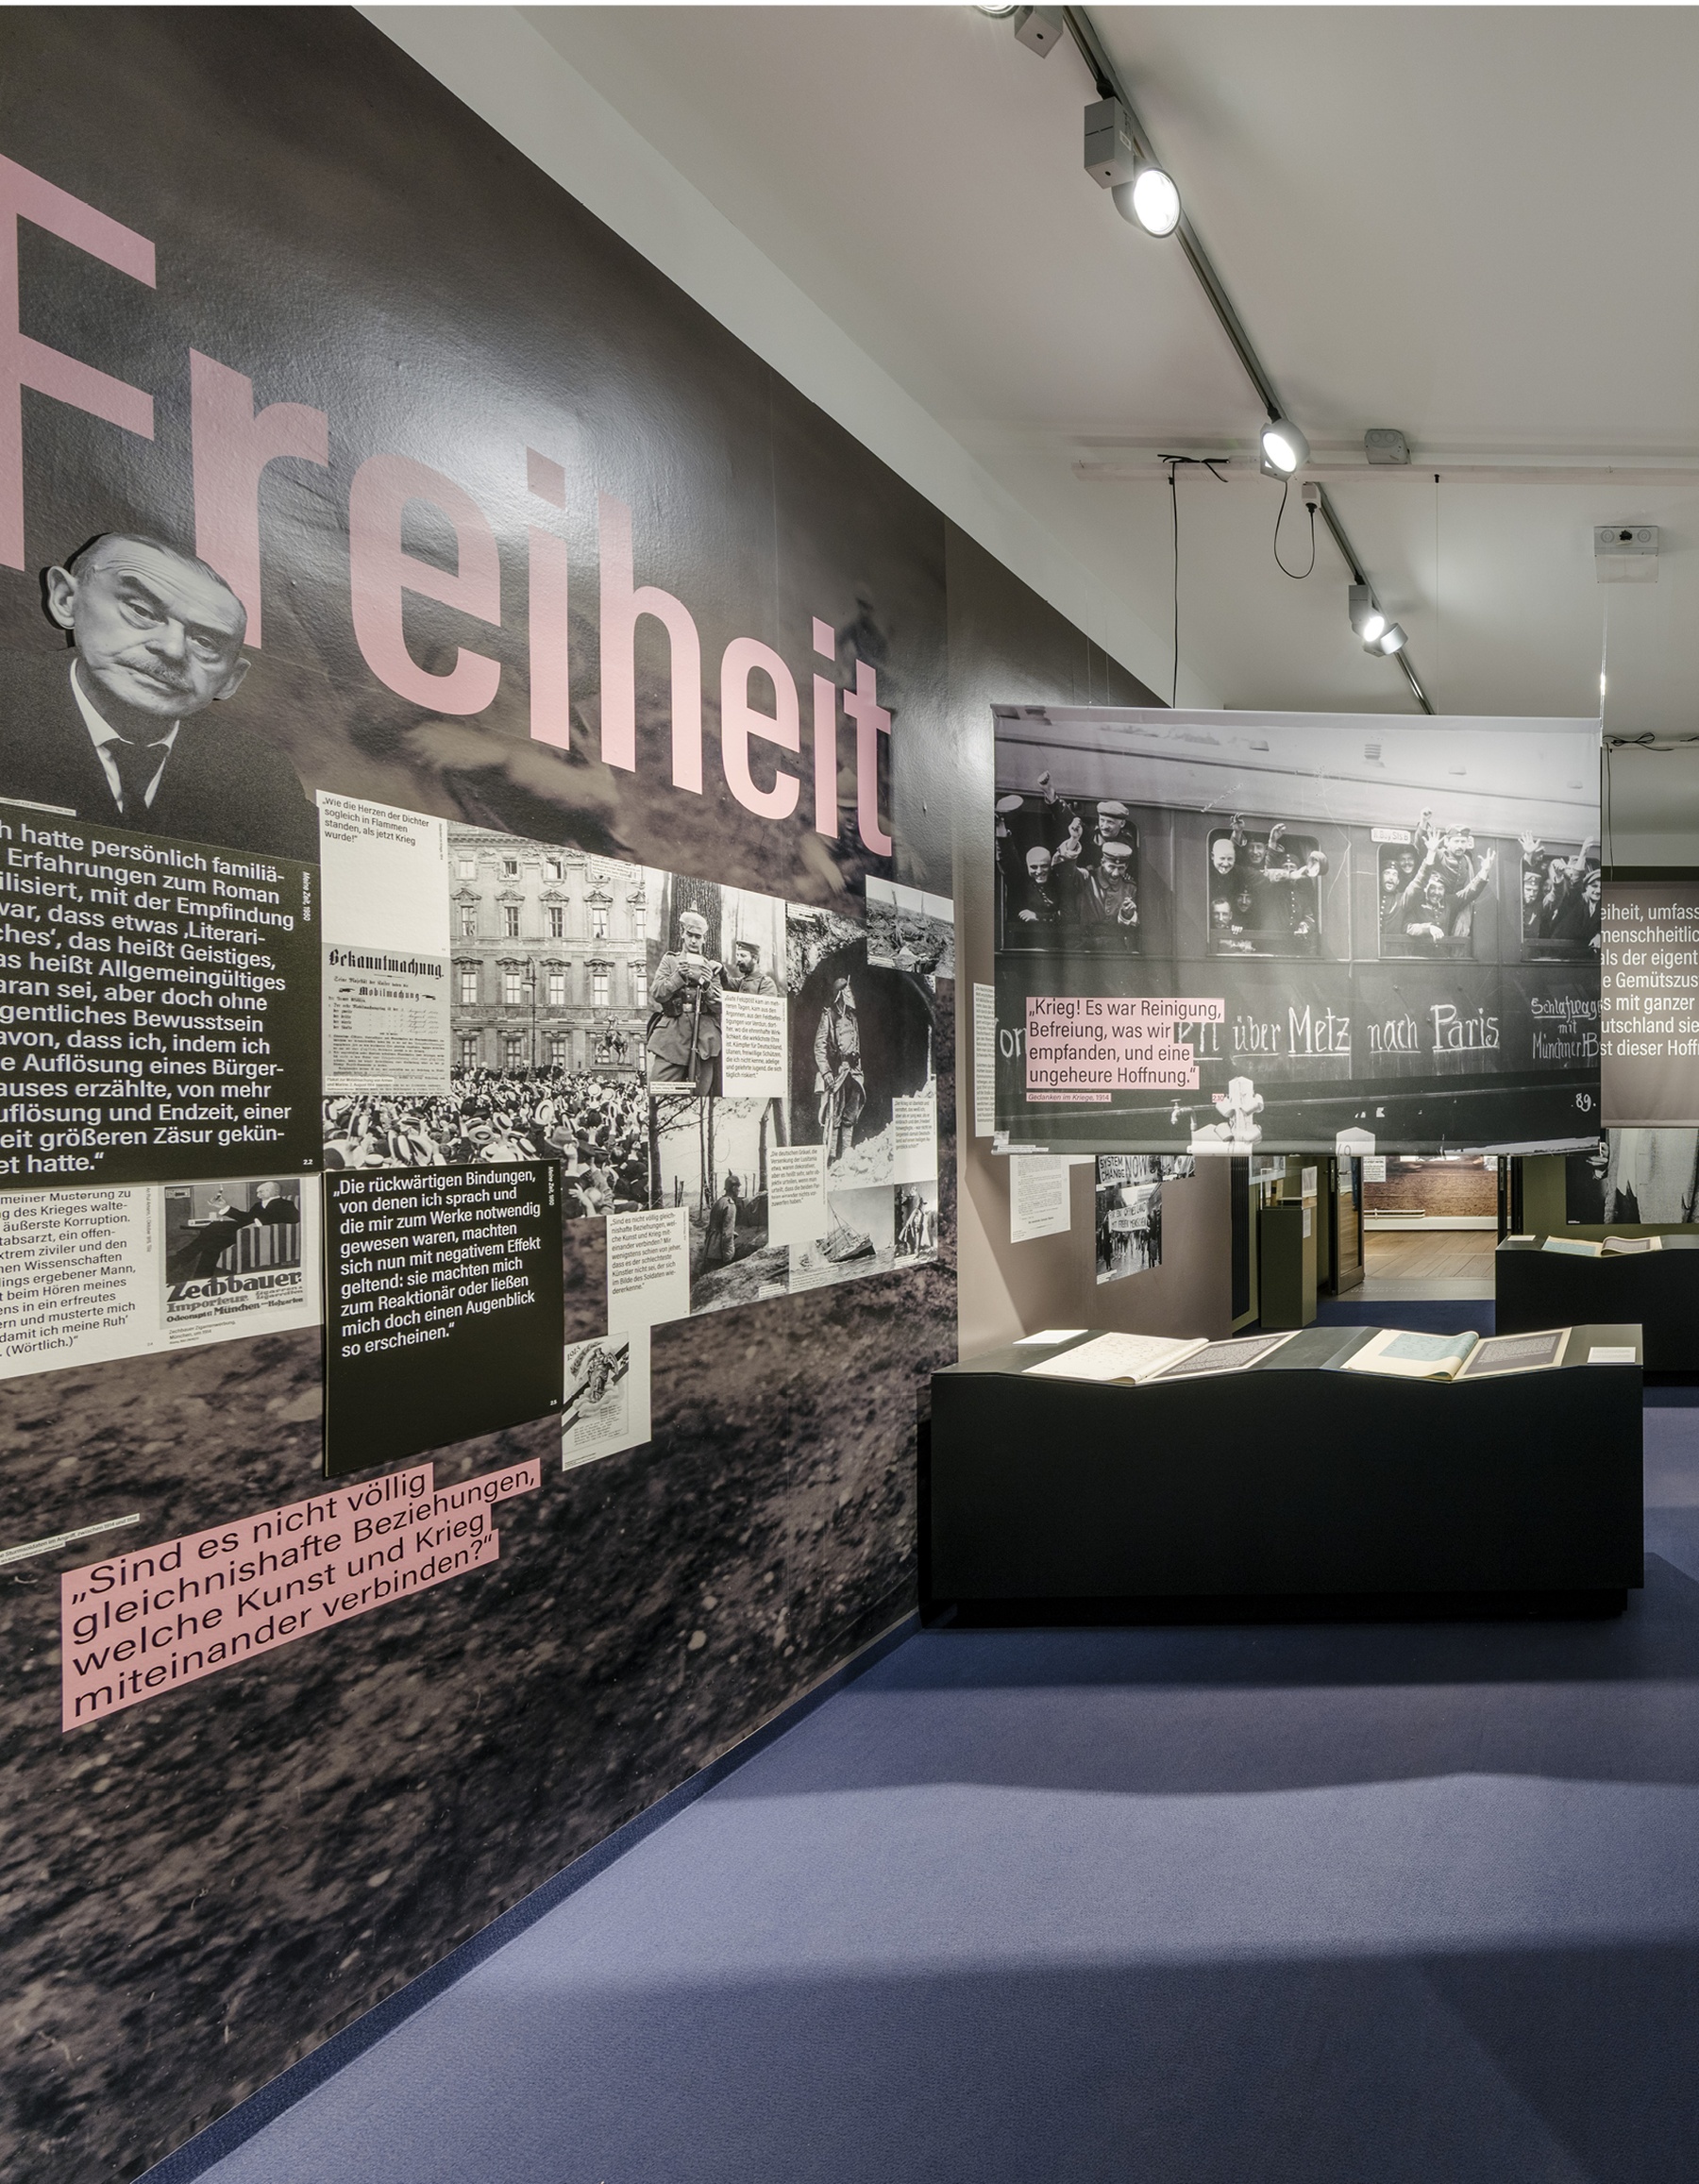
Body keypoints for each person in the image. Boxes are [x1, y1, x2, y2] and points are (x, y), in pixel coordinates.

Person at [0, 533, 318, 861]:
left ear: (230, 679)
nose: (172, 649)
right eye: (141, 610)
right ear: (66, 599)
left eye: (206, 643)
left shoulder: (257, 774)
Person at [647, 909, 722, 1092]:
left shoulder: (711, 967)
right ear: (683, 934)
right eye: (690, 935)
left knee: (700, 1093)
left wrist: (707, 984)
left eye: (698, 936)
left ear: (704, 939)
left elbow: (719, 1006)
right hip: (672, 1036)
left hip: (704, 1038)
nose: (693, 941)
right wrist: (677, 977)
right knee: (658, 1088)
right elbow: (656, 992)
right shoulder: (670, 960)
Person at [814, 973, 866, 1163]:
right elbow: (819, 1047)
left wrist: (857, 1068)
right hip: (836, 1071)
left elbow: (857, 1044)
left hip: (853, 1071)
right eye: (847, 991)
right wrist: (826, 1071)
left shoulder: (852, 1017)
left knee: (850, 1113)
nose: (851, 995)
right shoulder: (828, 1015)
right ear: (840, 994)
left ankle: (846, 1156)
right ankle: (832, 1158)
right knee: (834, 1113)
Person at [1010, 845, 1064, 942]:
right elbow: (1007, 860)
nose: (1039, 871)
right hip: (1025, 942)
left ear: (1050, 866)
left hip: (1057, 941)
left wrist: (1037, 916)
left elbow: (1068, 914)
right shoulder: (1022, 885)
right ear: (1027, 867)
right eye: (1034, 867)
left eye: (1044, 866)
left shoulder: (1059, 884)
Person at [703, 1173, 740, 1267]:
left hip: (710, 1249)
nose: (739, 1190)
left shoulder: (719, 1201)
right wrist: (728, 1255)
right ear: (733, 1188)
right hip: (719, 1252)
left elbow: (710, 1227)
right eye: (738, 1187)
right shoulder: (730, 1205)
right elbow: (727, 1233)